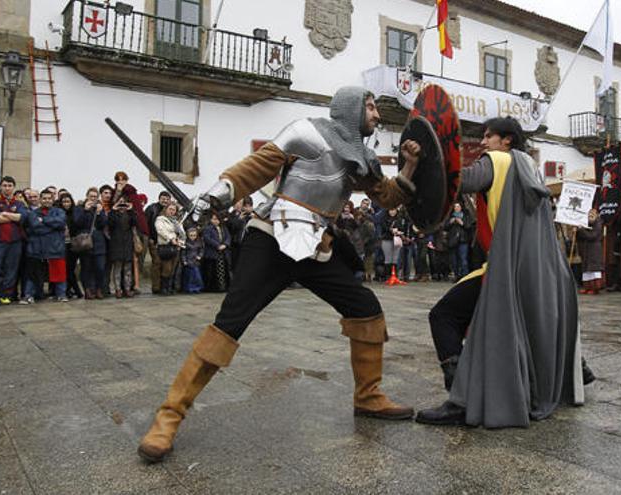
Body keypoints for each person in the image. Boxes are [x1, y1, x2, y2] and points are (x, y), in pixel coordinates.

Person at [137, 86, 421, 463]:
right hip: (271, 236)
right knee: (230, 323)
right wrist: (213, 197)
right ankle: (168, 417)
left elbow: (386, 196)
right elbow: (255, 168)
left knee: (365, 307)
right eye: (370, 107)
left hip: (317, 245)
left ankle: (368, 396)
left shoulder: (362, 156)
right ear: (351, 107)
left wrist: (411, 166)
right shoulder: (306, 131)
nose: (376, 115)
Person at [417, 117, 586, 427]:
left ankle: (460, 398)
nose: (483, 142)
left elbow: (459, 181)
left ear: (506, 140)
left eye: (488, 136)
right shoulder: (530, 168)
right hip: (541, 270)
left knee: (444, 315)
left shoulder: (498, 160)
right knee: (537, 319)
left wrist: (425, 158)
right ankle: (575, 368)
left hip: (506, 267)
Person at [0, 176, 27, 306]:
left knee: (11, 269)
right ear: (0, 187)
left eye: (9, 186)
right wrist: (13, 216)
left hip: (15, 241)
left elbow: (23, 217)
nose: (7, 188)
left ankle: (5, 295)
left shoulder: (20, 203)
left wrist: (5, 214)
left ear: (13, 187)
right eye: (4, 185)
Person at [21, 188, 67, 303]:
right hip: (37, 249)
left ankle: (61, 294)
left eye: (49, 198)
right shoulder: (32, 213)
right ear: (40, 200)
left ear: (53, 199)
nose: (47, 200)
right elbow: (35, 227)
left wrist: (44, 220)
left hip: (55, 248)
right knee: (33, 275)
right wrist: (53, 226)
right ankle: (28, 295)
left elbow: (61, 222)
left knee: (59, 274)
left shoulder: (59, 211)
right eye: (44, 198)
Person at [74, 188, 109, 300]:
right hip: (86, 242)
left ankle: (99, 288)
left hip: (99, 242)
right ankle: (88, 290)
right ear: (87, 196)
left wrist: (99, 213)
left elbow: (104, 223)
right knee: (86, 268)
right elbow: (77, 223)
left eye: (95, 196)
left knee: (100, 267)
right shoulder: (79, 208)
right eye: (91, 196)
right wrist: (85, 210)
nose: (93, 198)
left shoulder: (99, 208)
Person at [107, 194, 137, 298]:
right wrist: (114, 210)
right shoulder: (113, 214)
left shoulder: (130, 214)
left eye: (124, 202)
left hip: (127, 243)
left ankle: (127, 289)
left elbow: (135, 222)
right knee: (117, 269)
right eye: (120, 202)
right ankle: (118, 289)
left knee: (128, 269)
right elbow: (110, 223)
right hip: (116, 244)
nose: (122, 205)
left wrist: (131, 210)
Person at [57, 192, 84, 299]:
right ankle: (73, 291)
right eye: (64, 201)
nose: (66, 204)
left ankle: (74, 290)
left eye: (68, 201)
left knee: (70, 269)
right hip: (61, 244)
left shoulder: (75, 213)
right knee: (65, 269)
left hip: (72, 244)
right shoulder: (58, 213)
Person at [145, 191, 171, 294]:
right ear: (159, 198)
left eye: (167, 199)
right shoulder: (152, 208)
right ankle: (156, 287)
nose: (165, 200)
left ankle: (163, 287)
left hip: (166, 243)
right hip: (154, 241)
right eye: (163, 198)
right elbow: (147, 224)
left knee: (166, 265)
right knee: (156, 263)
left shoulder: (170, 210)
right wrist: (150, 238)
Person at [155, 202, 184, 296]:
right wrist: (171, 238)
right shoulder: (161, 219)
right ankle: (163, 288)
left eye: (174, 210)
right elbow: (161, 230)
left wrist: (180, 241)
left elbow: (181, 232)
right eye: (170, 209)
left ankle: (169, 287)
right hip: (165, 245)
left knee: (173, 268)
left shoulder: (176, 221)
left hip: (176, 246)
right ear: (166, 209)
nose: (172, 211)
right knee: (166, 268)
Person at [201, 211, 232, 292]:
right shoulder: (208, 228)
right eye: (214, 219)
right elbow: (207, 238)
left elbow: (228, 237)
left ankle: (223, 287)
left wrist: (225, 244)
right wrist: (217, 245)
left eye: (217, 219)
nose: (215, 221)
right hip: (212, 253)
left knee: (224, 270)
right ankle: (212, 288)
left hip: (223, 252)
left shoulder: (223, 227)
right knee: (211, 271)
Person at [577, 208, 603, 294]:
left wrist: (581, 230)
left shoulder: (598, 224)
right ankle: (587, 287)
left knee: (593, 268)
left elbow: (592, 236)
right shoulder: (585, 223)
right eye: (589, 215)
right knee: (586, 269)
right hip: (586, 249)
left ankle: (595, 287)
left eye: (592, 215)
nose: (590, 217)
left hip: (594, 248)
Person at [380, 207, 406, 281]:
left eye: (394, 210)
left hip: (397, 239)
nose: (392, 212)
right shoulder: (384, 218)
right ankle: (388, 275)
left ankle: (395, 275)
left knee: (395, 258)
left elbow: (402, 227)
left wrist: (399, 231)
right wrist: (391, 230)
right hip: (387, 239)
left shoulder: (400, 219)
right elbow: (384, 227)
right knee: (388, 258)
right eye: (391, 210)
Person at [445, 202, 470, 280]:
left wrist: (461, 223)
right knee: (454, 260)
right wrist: (450, 222)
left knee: (463, 259)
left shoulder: (465, 216)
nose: (456, 208)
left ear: (461, 208)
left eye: (458, 206)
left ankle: (465, 276)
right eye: (455, 207)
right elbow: (445, 227)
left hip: (463, 240)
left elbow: (468, 226)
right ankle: (457, 276)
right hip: (453, 241)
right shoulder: (450, 216)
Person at [182, 227, 204, 293]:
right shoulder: (185, 243)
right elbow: (183, 253)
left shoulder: (199, 242)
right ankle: (189, 288)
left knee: (197, 276)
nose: (193, 237)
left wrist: (200, 256)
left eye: (194, 235)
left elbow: (201, 250)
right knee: (189, 277)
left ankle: (197, 288)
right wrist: (184, 260)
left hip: (196, 261)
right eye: (191, 235)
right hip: (188, 261)